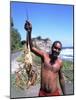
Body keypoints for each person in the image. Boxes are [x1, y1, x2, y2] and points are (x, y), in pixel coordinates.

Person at [24, 20, 66, 96]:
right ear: (52, 47)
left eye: (59, 49)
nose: (56, 50)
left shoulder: (60, 62)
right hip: (42, 93)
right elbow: (32, 47)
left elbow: (61, 78)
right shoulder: (44, 56)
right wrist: (29, 32)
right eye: (55, 48)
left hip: (55, 93)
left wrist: (65, 94)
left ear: (60, 51)